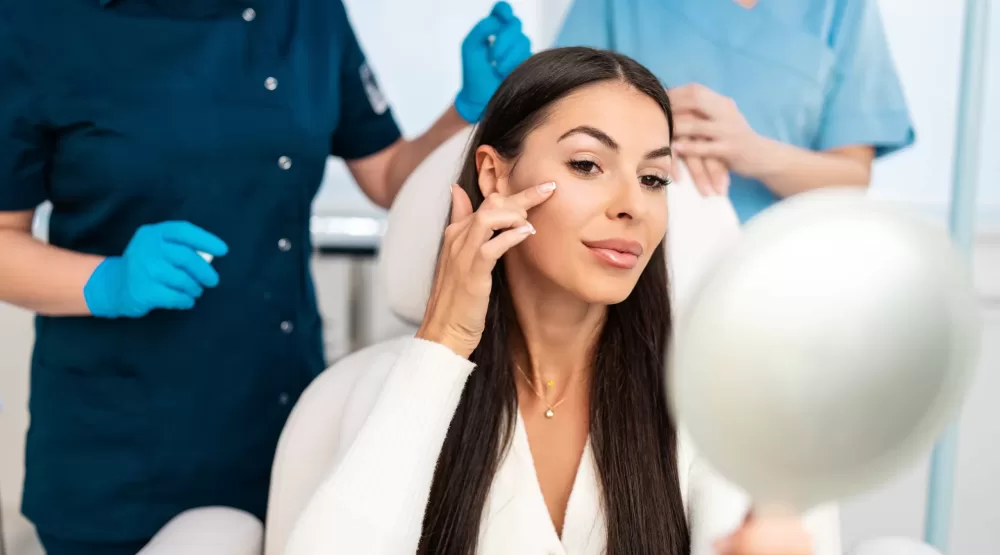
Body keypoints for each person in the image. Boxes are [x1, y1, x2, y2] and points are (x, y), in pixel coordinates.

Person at [0, 0, 531, 552]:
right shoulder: (36, 24)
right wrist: (107, 281)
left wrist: (467, 110)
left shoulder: (307, 14)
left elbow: (387, 175)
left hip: (280, 420)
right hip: (119, 453)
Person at [281, 47, 840, 555]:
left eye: (653, 178)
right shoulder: (389, 386)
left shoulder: (715, 402)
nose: (632, 207)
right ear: (495, 175)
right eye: (586, 165)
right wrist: (443, 343)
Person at [555, 0, 915, 223]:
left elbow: (852, 176)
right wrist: (645, 120)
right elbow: (559, 122)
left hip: (776, 275)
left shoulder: (840, 7)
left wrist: (754, 153)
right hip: (634, 258)